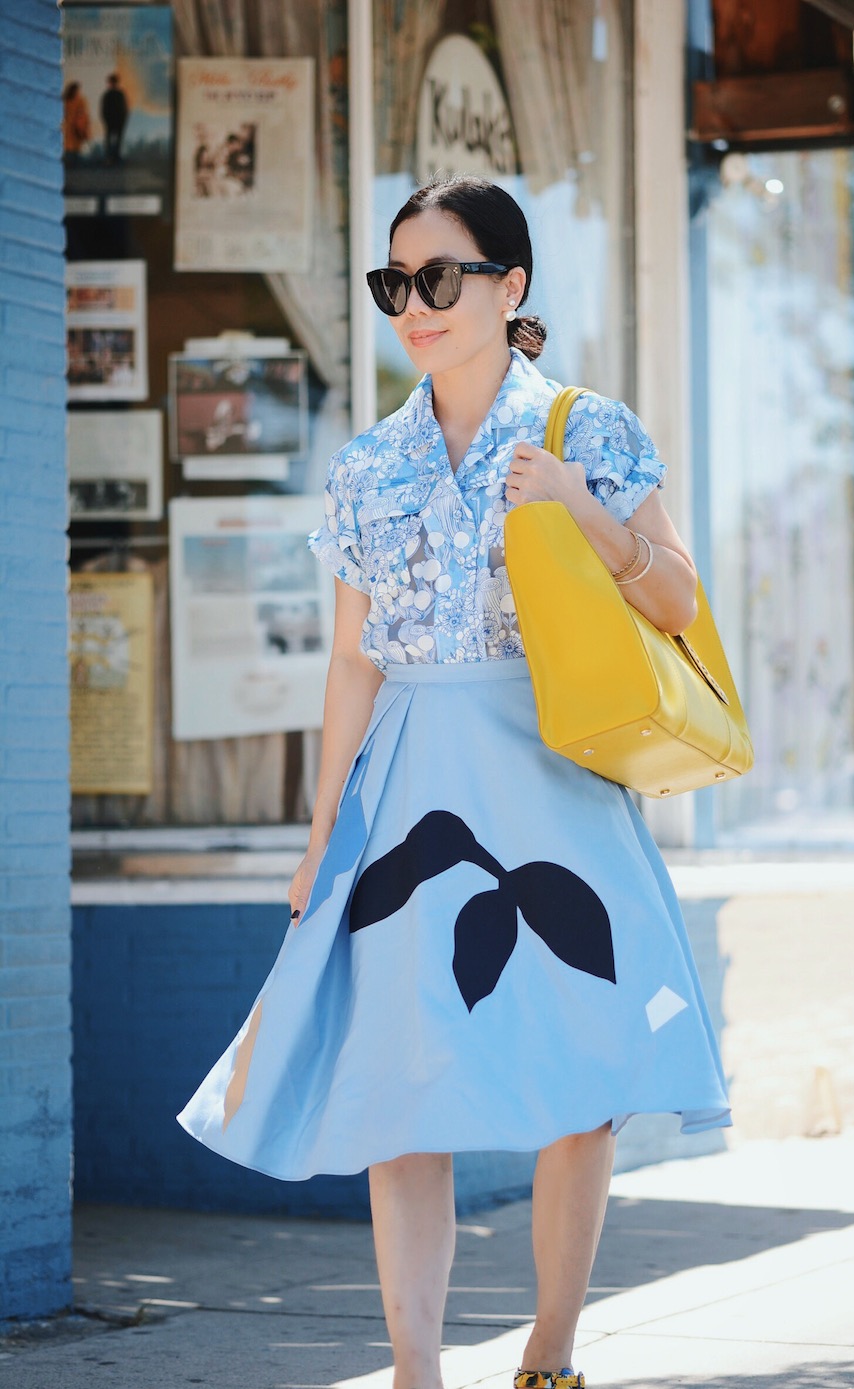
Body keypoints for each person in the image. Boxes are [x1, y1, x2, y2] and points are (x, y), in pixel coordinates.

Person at [178, 175, 730, 1389]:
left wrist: (584, 508)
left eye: (441, 278)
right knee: (398, 1085)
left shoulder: (586, 428)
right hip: (410, 788)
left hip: (552, 775)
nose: (415, 305)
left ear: (509, 286)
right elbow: (349, 663)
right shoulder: (367, 464)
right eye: (396, 285)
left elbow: (680, 600)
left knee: (586, 1075)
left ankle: (549, 1354)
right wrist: (319, 832)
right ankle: (416, 1371)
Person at [100, 73, 128, 164]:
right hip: (114, 121)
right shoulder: (111, 94)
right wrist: (106, 119)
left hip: (116, 121)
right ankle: (111, 157)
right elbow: (104, 109)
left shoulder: (115, 94)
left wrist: (123, 119)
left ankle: (114, 157)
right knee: (112, 140)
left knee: (115, 140)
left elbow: (124, 108)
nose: (111, 83)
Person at [63, 81, 91, 164]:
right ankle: (74, 160)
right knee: (75, 144)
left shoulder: (66, 100)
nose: (79, 92)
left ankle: (71, 160)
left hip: (70, 125)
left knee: (70, 144)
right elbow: (83, 113)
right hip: (77, 125)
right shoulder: (80, 100)